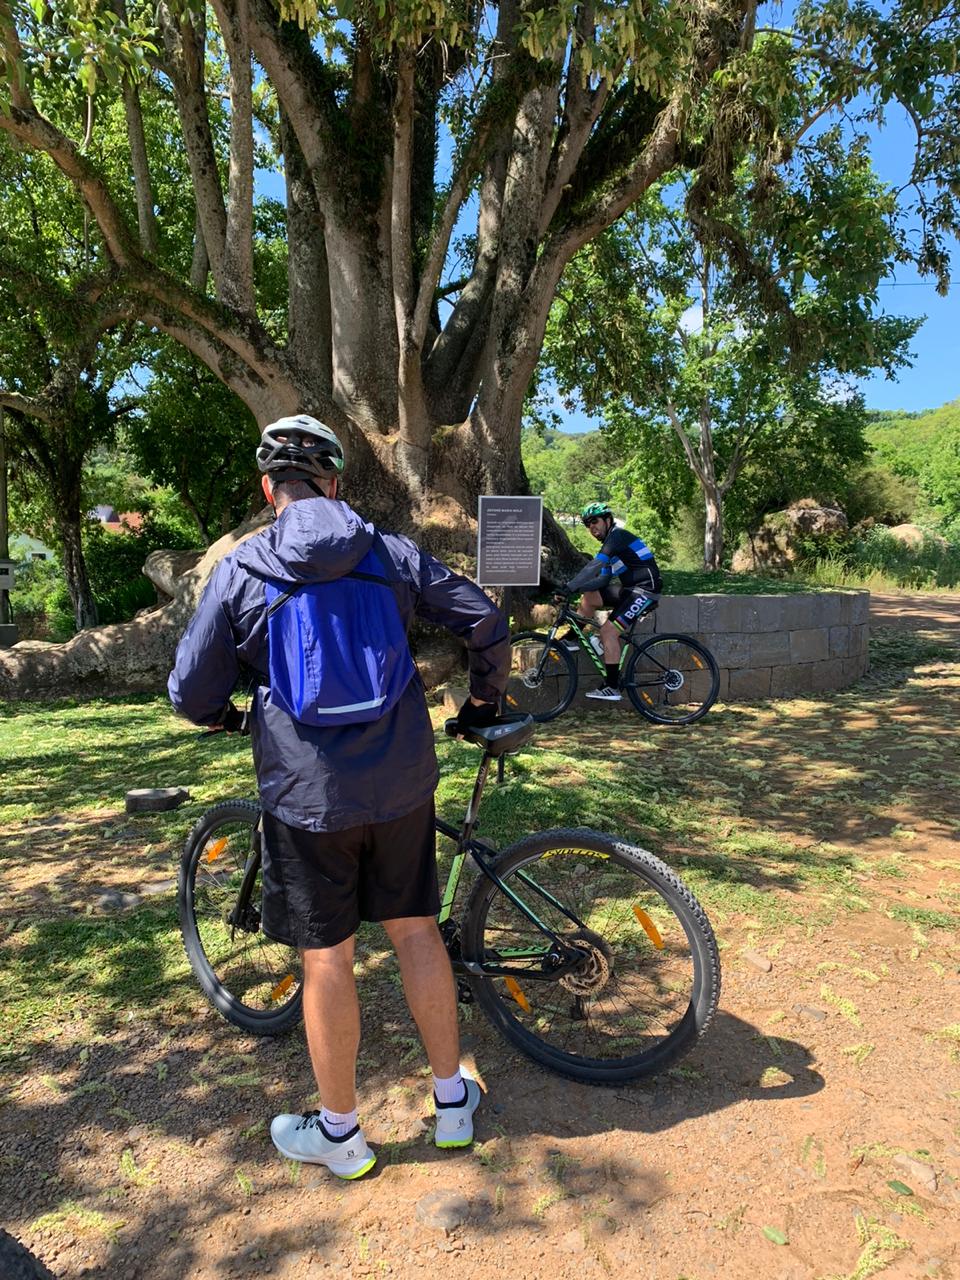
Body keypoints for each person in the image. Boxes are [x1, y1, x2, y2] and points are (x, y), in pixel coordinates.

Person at [168, 414, 509, 1181]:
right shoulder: (387, 552)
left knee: (327, 957)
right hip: (400, 783)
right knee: (416, 933)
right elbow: (484, 619)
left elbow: (190, 690)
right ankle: (452, 1102)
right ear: (334, 482)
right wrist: (484, 701)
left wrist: (224, 713)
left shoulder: (245, 567)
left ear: (270, 489)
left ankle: (342, 1135)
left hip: (305, 794)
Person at [562, 502, 662, 702]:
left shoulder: (617, 537)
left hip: (645, 591)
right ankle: (571, 639)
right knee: (590, 596)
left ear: (608, 520)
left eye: (594, 521)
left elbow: (594, 566)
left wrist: (570, 586)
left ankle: (612, 686)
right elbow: (602, 580)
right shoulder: (610, 544)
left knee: (608, 631)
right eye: (587, 524)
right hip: (630, 589)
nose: (591, 527)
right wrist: (575, 589)